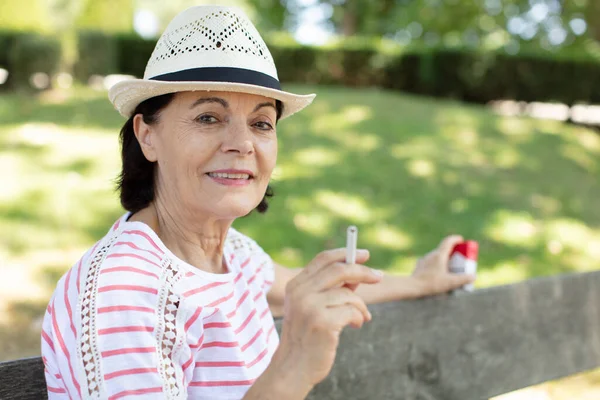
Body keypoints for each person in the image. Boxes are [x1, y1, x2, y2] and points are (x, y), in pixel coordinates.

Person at [41, 5, 475, 399]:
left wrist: (422, 282)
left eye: (262, 122)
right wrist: (291, 369)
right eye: (209, 117)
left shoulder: (235, 257)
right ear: (147, 134)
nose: (242, 143)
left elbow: (294, 292)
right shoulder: (123, 292)